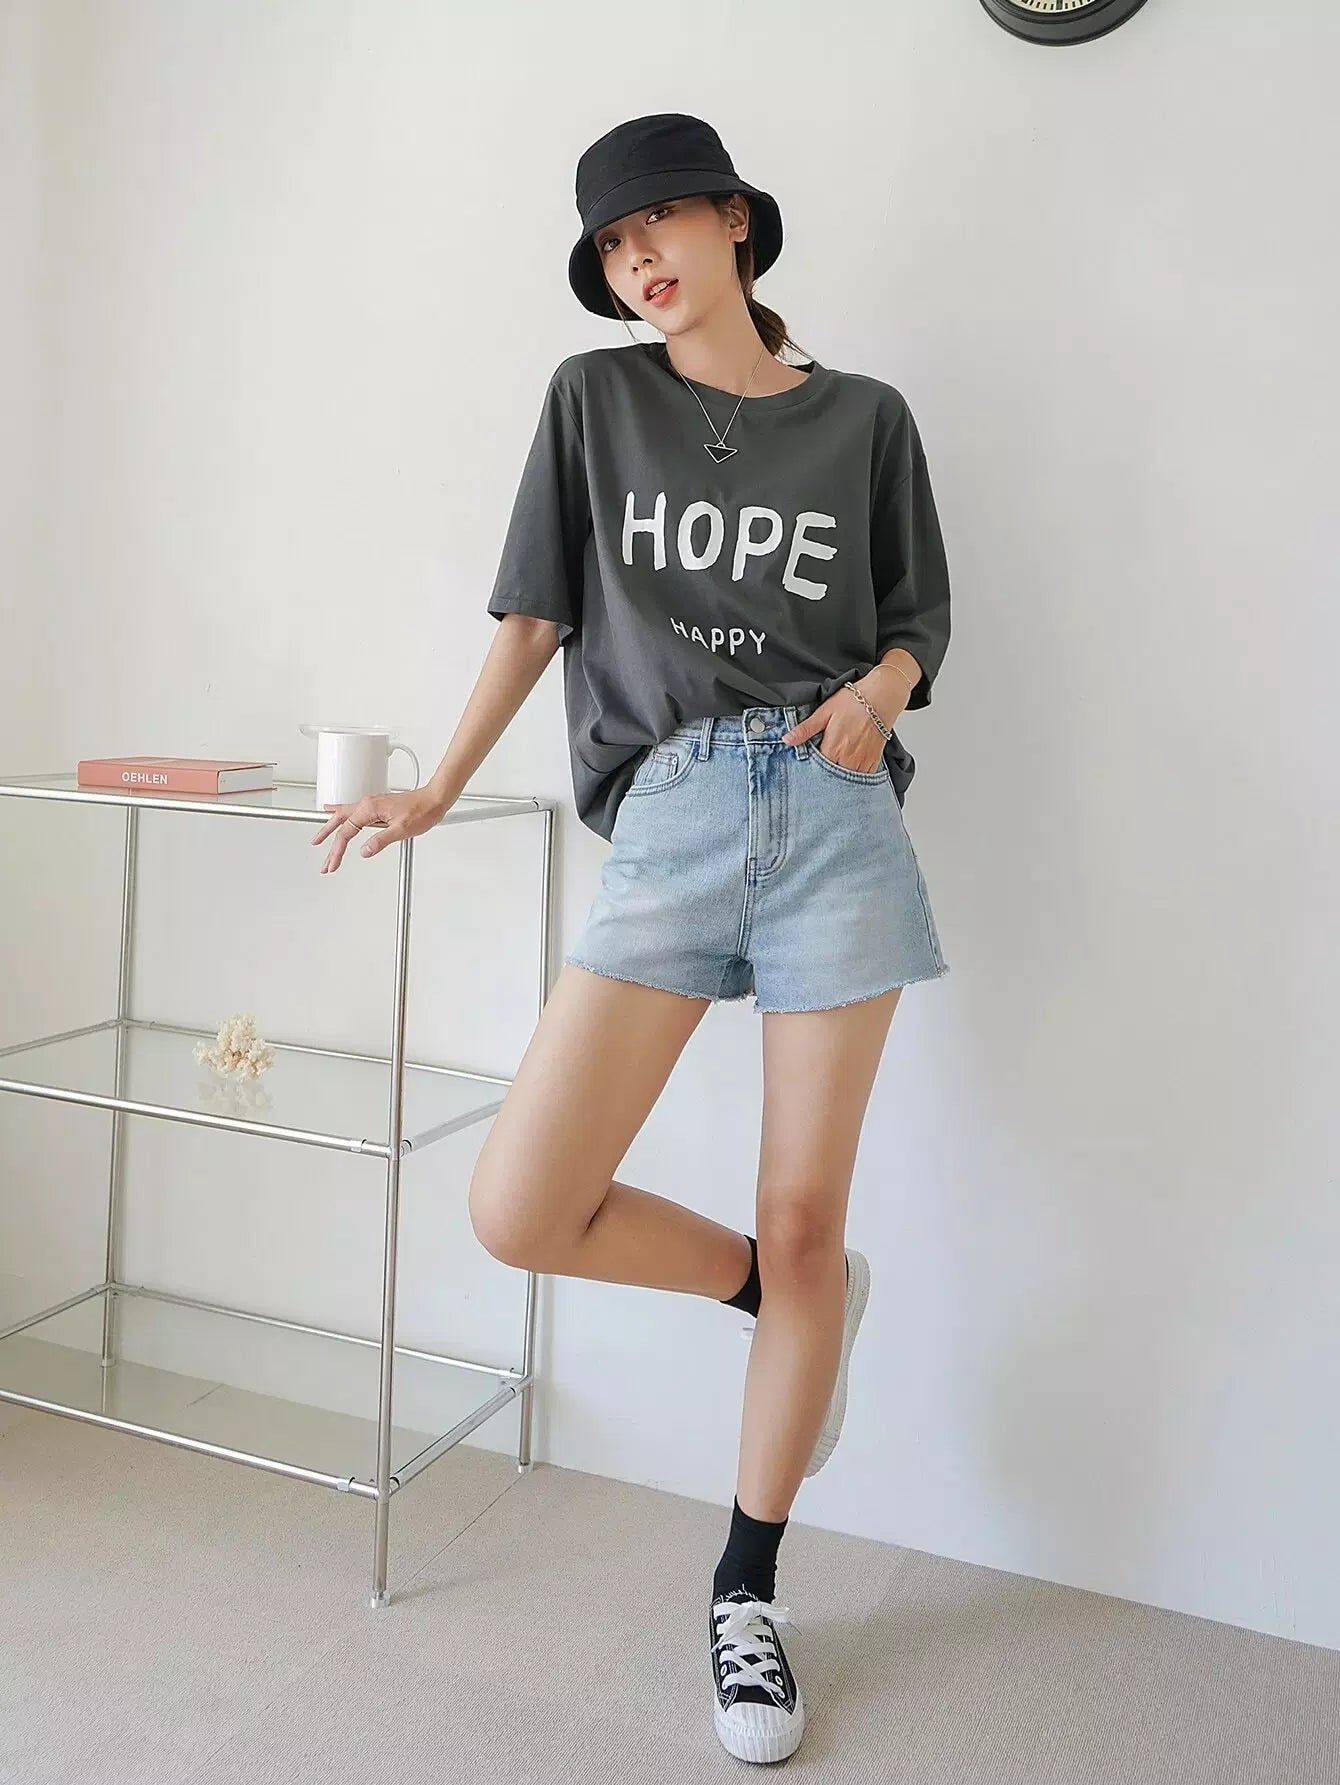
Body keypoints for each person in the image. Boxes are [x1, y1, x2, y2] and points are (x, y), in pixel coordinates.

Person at [309, 112, 952, 1766]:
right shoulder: (593, 401)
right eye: (611, 242)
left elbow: (912, 627)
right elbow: (538, 611)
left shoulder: (867, 419)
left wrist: (883, 692)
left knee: (804, 1210)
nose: (639, 257)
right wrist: (439, 785)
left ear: (734, 219)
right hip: (671, 815)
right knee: (522, 1204)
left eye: (660, 219)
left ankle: (747, 1590)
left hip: (835, 818)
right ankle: (783, 1296)